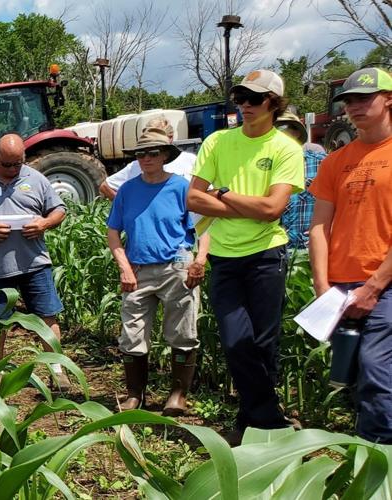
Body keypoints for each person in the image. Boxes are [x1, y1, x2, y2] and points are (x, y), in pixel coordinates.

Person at [186, 69, 304, 438]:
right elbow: (192, 198)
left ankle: (248, 423)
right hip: (224, 256)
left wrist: (221, 194)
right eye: (240, 98)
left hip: (267, 254)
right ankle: (270, 418)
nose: (245, 106)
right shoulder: (218, 141)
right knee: (236, 340)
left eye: (255, 99)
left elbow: (273, 210)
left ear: (274, 103)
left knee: (264, 343)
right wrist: (246, 205)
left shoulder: (285, 148)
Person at [309, 67, 392, 443]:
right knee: (354, 370)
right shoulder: (335, 160)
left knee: (377, 369)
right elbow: (318, 226)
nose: (354, 107)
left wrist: (375, 286)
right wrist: (323, 285)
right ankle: (366, 453)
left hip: (385, 282)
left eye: (364, 98)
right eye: (349, 101)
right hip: (342, 284)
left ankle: (380, 463)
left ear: (389, 98)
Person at [105, 124, 209, 414]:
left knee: (182, 331)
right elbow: (113, 233)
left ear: (165, 155)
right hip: (138, 270)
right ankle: (135, 395)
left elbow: (204, 226)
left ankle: (178, 395)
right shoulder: (127, 190)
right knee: (132, 334)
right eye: (140, 153)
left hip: (177, 267)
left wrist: (199, 260)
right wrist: (124, 268)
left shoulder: (181, 187)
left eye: (152, 152)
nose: (146, 158)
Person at [0, 134, 70, 389]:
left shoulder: (36, 179)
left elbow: (59, 210)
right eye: (6, 164)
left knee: (47, 316)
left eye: (17, 164)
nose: (12, 170)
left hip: (35, 263)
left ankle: (57, 369)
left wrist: (44, 223)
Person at [99, 118, 199, 200]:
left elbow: (203, 193)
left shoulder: (189, 161)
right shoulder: (136, 166)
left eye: (154, 153)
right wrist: (125, 207)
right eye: (141, 154)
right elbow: (105, 186)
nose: (147, 158)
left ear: (171, 137)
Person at [275, 111, 327, 251]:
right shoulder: (263, 167)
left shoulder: (321, 163)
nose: (277, 133)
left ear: (297, 132)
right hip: (275, 250)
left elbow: (341, 204)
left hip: (310, 248)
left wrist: (327, 232)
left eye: (282, 127)